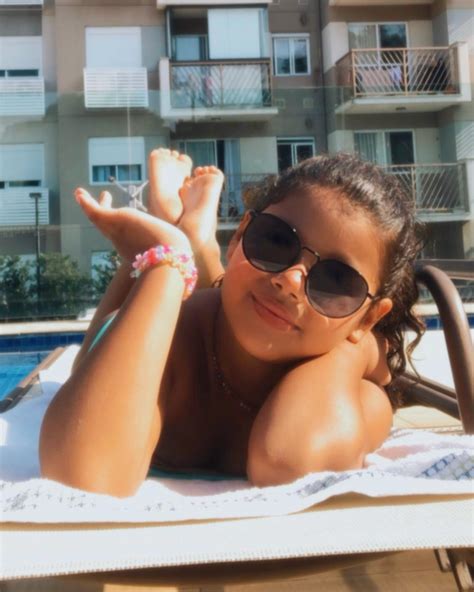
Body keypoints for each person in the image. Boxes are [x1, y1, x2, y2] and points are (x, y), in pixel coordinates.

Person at [39, 149, 425, 498]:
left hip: (275, 318)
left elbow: (289, 463)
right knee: (95, 352)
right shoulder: (174, 344)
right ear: (240, 235)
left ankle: (191, 234)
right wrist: (166, 264)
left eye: (337, 281)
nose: (291, 281)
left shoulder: (358, 399)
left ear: (369, 317)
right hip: (174, 321)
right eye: (274, 242)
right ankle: (182, 240)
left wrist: (356, 350)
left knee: (238, 289)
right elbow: (81, 479)